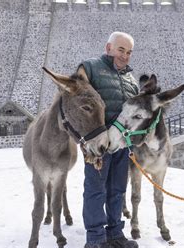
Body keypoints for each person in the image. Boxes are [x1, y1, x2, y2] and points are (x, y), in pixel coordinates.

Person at [77, 32, 140, 248]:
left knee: (117, 190)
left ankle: (115, 234)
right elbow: (76, 100)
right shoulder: (90, 68)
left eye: (129, 52)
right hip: (98, 145)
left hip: (122, 144)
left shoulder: (131, 79)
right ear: (109, 47)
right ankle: (95, 239)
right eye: (121, 49)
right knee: (96, 190)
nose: (125, 56)